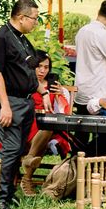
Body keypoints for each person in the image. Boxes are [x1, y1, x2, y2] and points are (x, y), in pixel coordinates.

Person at [0, 0, 42, 209]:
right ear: (21, 17)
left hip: (25, 101)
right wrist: (5, 106)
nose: (35, 23)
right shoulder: (1, 38)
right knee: (9, 149)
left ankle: (8, 193)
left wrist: (42, 90)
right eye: (34, 19)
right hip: (10, 101)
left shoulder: (21, 38)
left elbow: (26, 68)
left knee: (18, 149)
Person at [19, 51, 73, 198]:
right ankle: (27, 177)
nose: (42, 70)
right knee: (47, 126)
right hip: (26, 124)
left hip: (47, 126)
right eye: (38, 67)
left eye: (46, 67)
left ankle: (28, 165)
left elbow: (62, 111)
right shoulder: (24, 82)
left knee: (49, 124)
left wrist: (61, 94)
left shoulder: (51, 84)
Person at [72, 0, 106, 114]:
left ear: (99, 11)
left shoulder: (82, 30)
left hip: (81, 88)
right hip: (97, 92)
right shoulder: (103, 34)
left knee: (81, 128)